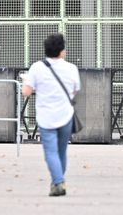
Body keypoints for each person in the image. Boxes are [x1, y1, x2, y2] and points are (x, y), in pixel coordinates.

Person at [21, 33, 81, 197]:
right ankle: (58, 181)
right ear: (62, 51)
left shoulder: (36, 68)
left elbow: (26, 92)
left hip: (46, 116)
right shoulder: (71, 68)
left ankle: (58, 182)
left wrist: (25, 81)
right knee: (61, 152)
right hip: (65, 115)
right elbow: (75, 90)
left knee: (51, 152)